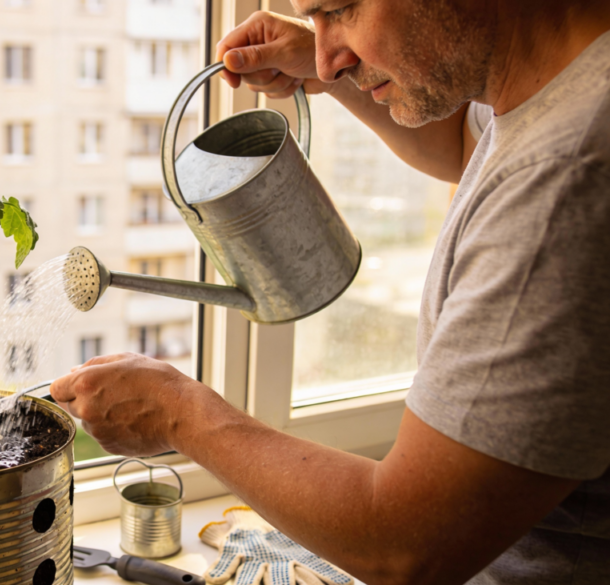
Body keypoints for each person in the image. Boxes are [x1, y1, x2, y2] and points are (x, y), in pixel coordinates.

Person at [50, 1, 610, 583]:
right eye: (313, 22)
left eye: (340, 10)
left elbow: (402, 544)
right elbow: (468, 150)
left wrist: (179, 416)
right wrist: (331, 74)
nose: (325, 56)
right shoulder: (553, 84)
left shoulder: (568, 180)